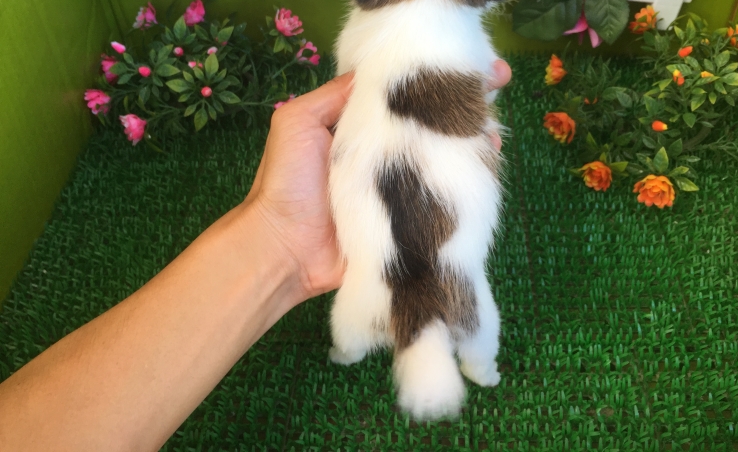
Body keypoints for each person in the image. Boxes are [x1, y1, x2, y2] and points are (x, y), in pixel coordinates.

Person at [0, 61, 512, 451]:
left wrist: (280, 242)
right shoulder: (454, 58)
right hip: (427, 252)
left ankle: (375, 350)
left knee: (366, 318)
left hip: (373, 254)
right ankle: (477, 364)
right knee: (458, 295)